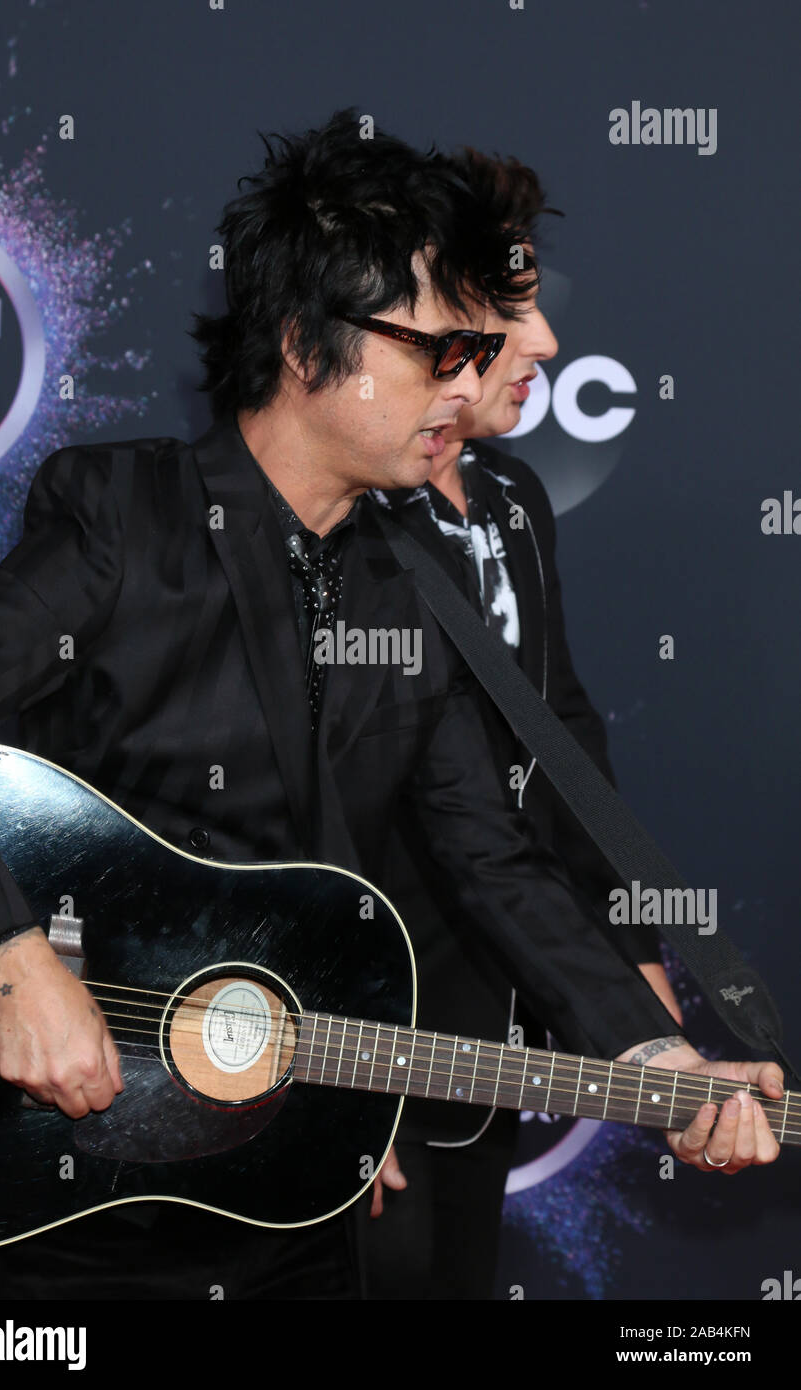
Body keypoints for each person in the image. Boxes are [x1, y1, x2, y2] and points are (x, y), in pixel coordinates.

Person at [0, 114, 782, 1302]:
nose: (473, 381)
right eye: (440, 349)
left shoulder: (410, 577)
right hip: (53, 1181)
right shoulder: (126, 520)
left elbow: (488, 855)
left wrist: (653, 1053)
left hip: (274, 1178)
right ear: (303, 342)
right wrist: (12, 962)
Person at [363, 148, 772, 1300]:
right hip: (370, 991)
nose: (543, 342)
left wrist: (630, 958)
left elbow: (563, 737)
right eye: (511, 309)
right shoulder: (334, 516)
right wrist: (310, 1088)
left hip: (513, 978)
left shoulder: (512, 496)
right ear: (427, 324)